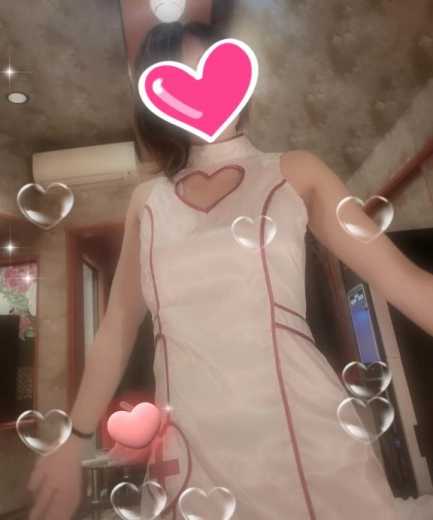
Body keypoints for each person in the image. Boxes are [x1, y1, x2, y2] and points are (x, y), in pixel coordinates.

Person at [28, 21, 433, 520]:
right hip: (192, 456)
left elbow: (404, 283)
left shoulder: (295, 171)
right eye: (178, 78)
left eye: (209, 69)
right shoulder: (147, 203)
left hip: (304, 438)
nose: (200, 89)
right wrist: (74, 437)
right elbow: (116, 327)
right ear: (156, 100)